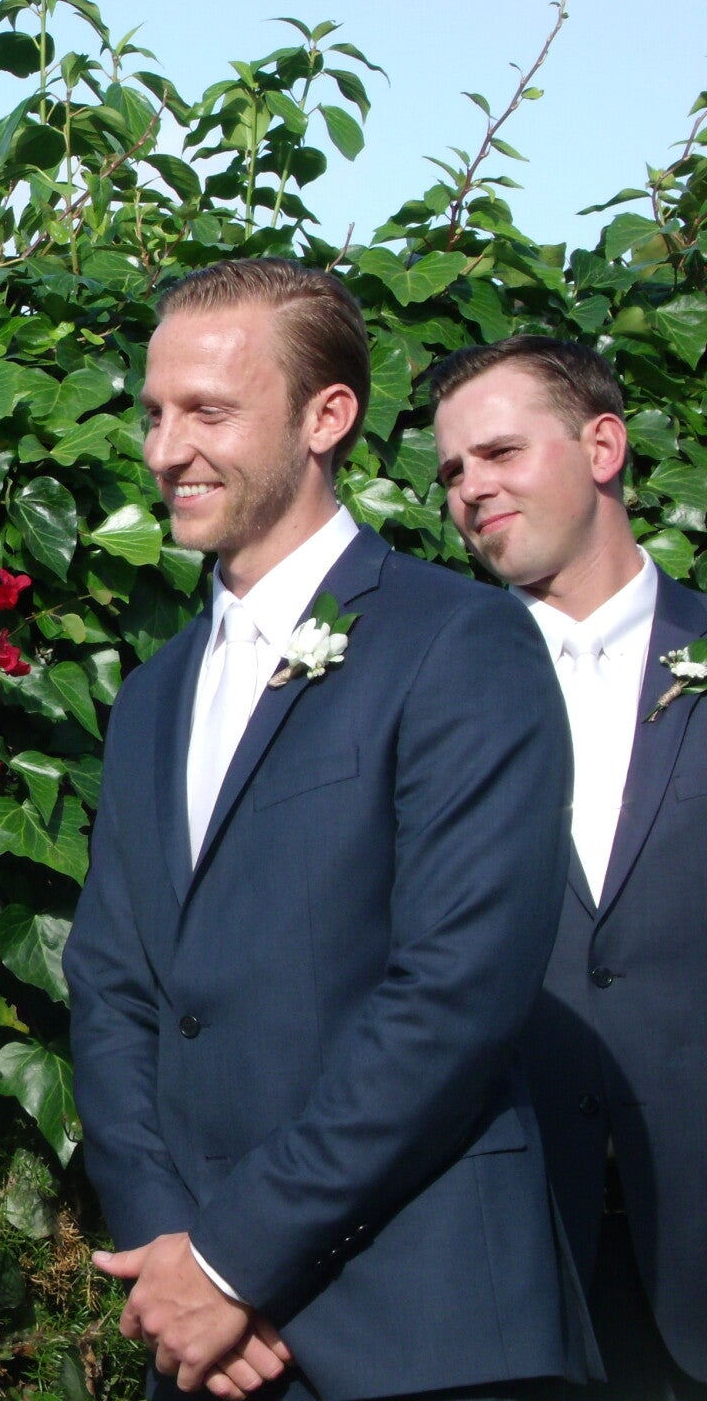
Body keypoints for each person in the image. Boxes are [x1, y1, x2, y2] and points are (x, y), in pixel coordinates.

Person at [61, 259, 596, 1401]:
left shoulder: (460, 645)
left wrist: (232, 1256)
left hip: (421, 1330)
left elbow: (454, 993)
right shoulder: (153, 691)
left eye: (208, 412)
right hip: (208, 1350)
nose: (165, 451)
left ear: (326, 417)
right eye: (155, 414)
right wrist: (170, 1252)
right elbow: (113, 984)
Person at [431, 336, 707, 1401]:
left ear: (602, 446)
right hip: (503, 1256)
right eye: (453, 470)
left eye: (499, 451)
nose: (471, 488)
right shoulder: (424, 691)